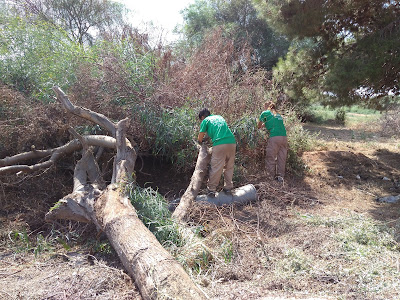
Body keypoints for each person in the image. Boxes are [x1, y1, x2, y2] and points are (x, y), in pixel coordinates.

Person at [198, 108, 236, 197]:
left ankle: (211, 190)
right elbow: (217, 131)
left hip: (220, 143)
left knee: (216, 167)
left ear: (203, 117)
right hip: (232, 142)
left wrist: (200, 142)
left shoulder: (205, 120)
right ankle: (228, 188)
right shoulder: (219, 117)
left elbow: (201, 135)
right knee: (229, 166)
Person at [257, 101, 288, 182]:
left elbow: (258, 126)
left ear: (267, 106)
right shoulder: (278, 114)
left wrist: (259, 126)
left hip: (274, 137)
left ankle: (270, 177)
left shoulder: (265, 113)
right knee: (281, 157)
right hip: (284, 137)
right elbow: (273, 123)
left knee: (270, 157)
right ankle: (280, 177)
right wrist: (265, 124)